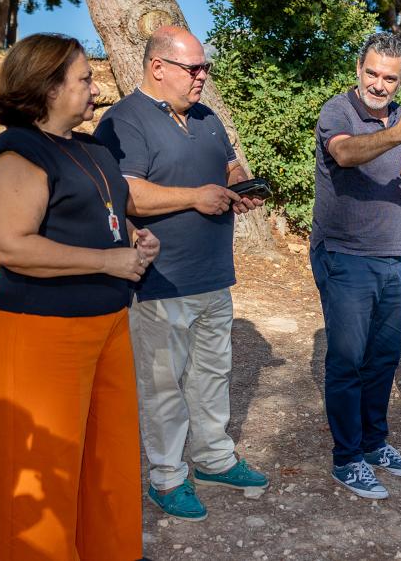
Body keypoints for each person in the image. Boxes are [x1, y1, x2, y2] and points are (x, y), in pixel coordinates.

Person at [0, 33, 160, 560]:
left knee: (109, 463)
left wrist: (135, 239)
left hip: (107, 325)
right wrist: (108, 261)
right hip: (39, 333)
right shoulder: (17, 151)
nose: (96, 90)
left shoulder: (91, 149)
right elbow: (9, 244)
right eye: (85, 79)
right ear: (49, 86)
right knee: (38, 476)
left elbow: (106, 217)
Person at [95, 26, 268, 522]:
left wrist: (239, 181)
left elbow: (228, 163)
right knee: (163, 385)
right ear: (158, 67)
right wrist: (195, 196)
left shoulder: (207, 116)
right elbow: (123, 194)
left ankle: (214, 458)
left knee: (213, 374)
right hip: (159, 280)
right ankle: (168, 477)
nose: (202, 77)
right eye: (194, 68)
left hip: (214, 275)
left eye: (204, 67)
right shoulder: (123, 120)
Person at [310, 32, 401, 498]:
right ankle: (346, 459)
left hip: (393, 256)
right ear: (358, 69)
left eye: (389, 77)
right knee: (348, 362)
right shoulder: (339, 111)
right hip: (346, 255)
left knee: (383, 361)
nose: (379, 84)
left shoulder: (397, 118)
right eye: (372, 72)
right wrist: (400, 134)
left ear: (400, 80)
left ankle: (374, 444)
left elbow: (395, 166)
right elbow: (346, 153)